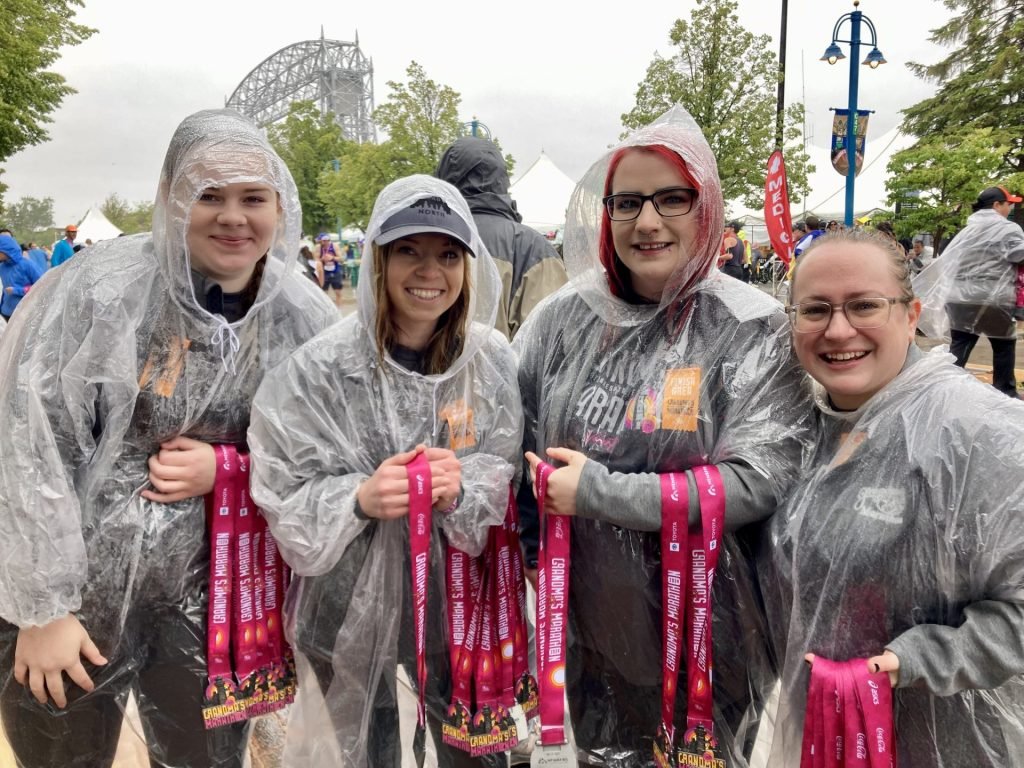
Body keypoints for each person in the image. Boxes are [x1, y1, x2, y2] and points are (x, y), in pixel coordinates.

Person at [0, 109, 338, 768]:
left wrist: (232, 467)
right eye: (208, 194)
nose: (233, 217)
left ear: (280, 205)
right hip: (75, 602)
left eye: (253, 197)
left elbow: (329, 455)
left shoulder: (302, 319)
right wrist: (42, 610)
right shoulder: (100, 293)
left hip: (216, 604)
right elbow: (29, 442)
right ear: (169, 197)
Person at [513, 106, 814, 767]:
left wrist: (600, 493)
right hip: (593, 627)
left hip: (711, 639)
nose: (647, 222)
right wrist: (534, 548)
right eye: (627, 203)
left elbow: (760, 480)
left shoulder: (751, 328)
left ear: (706, 209)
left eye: (671, 198)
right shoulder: (562, 322)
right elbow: (517, 442)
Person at [248, 175, 523, 767]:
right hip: (348, 601)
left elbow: (505, 468)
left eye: (448, 254)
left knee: (472, 753)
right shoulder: (320, 368)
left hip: (455, 602)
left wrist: (463, 487)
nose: (430, 271)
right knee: (364, 751)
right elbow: (279, 487)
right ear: (378, 258)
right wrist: (359, 497)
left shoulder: (490, 361)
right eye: (408, 251)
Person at [764, 228, 1024, 766]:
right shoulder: (797, 425)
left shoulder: (978, 434)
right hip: (821, 728)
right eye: (815, 310)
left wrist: (916, 660)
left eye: (864, 305)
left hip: (942, 743)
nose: (838, 330)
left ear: (912, 315)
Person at [436, 136, 568, 340]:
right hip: (505, 360)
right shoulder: (533, 248)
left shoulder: (423, 240)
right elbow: (552, 343)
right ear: (502, 180)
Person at [915, 185, 1024, 397]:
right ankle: (1006, 394)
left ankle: (942, 391)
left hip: (959, 299)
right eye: (1008, 204)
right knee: (1003, 347)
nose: (1010, 208)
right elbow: (1019, 255)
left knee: (960, 348)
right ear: (996, 205)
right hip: (993, 300)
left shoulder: (966, 231)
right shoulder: (1009, 229)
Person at [0, 235, 44, 321]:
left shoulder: (28, 265)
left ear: (5, 250)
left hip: (25, 313)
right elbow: (3, 290)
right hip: (6, 313)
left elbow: (42, 286)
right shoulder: (2, 267)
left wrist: (17, 290)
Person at [315, 233, 344, 307]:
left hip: (335, 271)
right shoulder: (318, 247)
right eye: (320, 241)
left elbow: (341, 259)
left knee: (338, 292)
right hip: (324, 272)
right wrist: (322, 259)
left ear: (326, 240)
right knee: (323, 293)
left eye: (321, 241)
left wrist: (332, 258)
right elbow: (316, 259)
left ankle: (338, 309)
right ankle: (325, 309)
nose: (320, 243)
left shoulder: (334, 246)